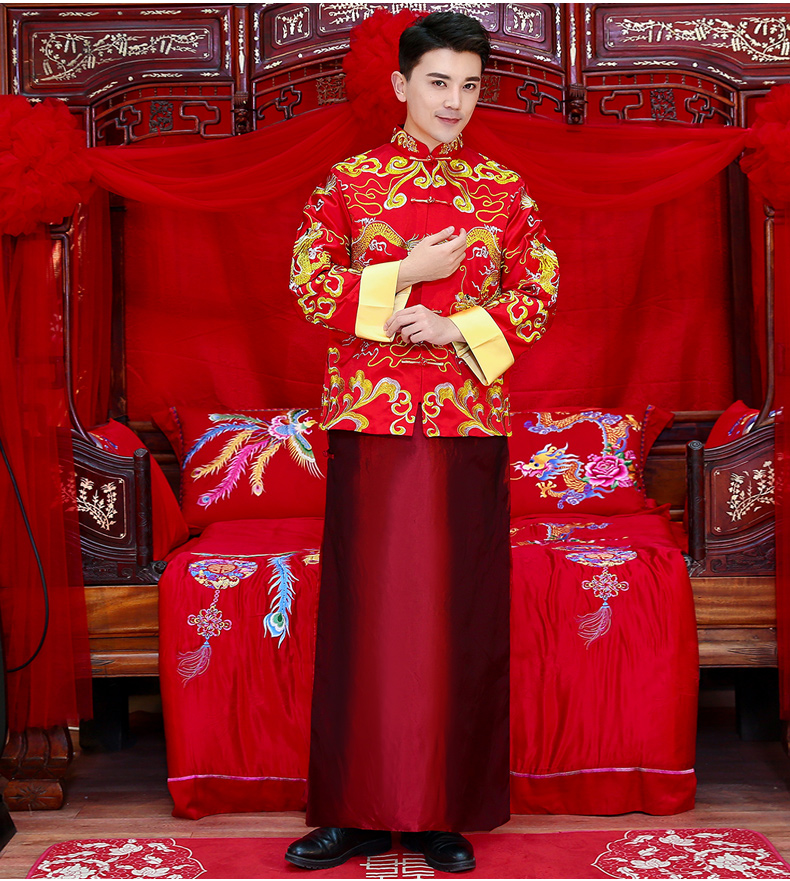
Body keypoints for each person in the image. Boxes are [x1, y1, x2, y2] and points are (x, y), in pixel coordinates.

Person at [286, 11, 558, 874]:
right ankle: (355, 810)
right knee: (368, 616)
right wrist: (404, 274)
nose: (454, 101)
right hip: (370, 423)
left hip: (466, 425)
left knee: (456, 614)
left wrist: (454, 327)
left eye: (469, 86)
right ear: (402, 84)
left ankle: (446, 808)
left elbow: (540, 291)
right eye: (439, 82)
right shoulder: (350, 183)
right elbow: (308, 284)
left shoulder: (504, 191)